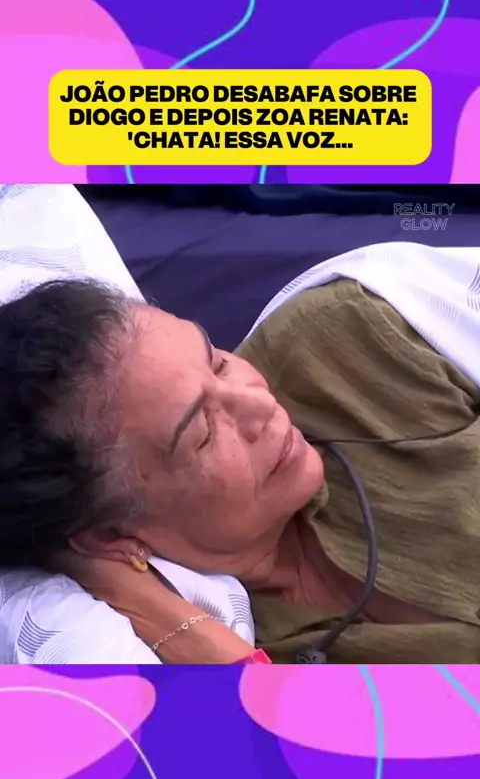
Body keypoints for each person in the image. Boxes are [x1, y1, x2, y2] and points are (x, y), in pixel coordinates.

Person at [0, 261, 479, 664]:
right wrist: (163, 617)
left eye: (218, 362)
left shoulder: (346, 344)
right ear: (110, 536)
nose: (259, 404)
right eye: (203, 433)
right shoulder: (202, 643)